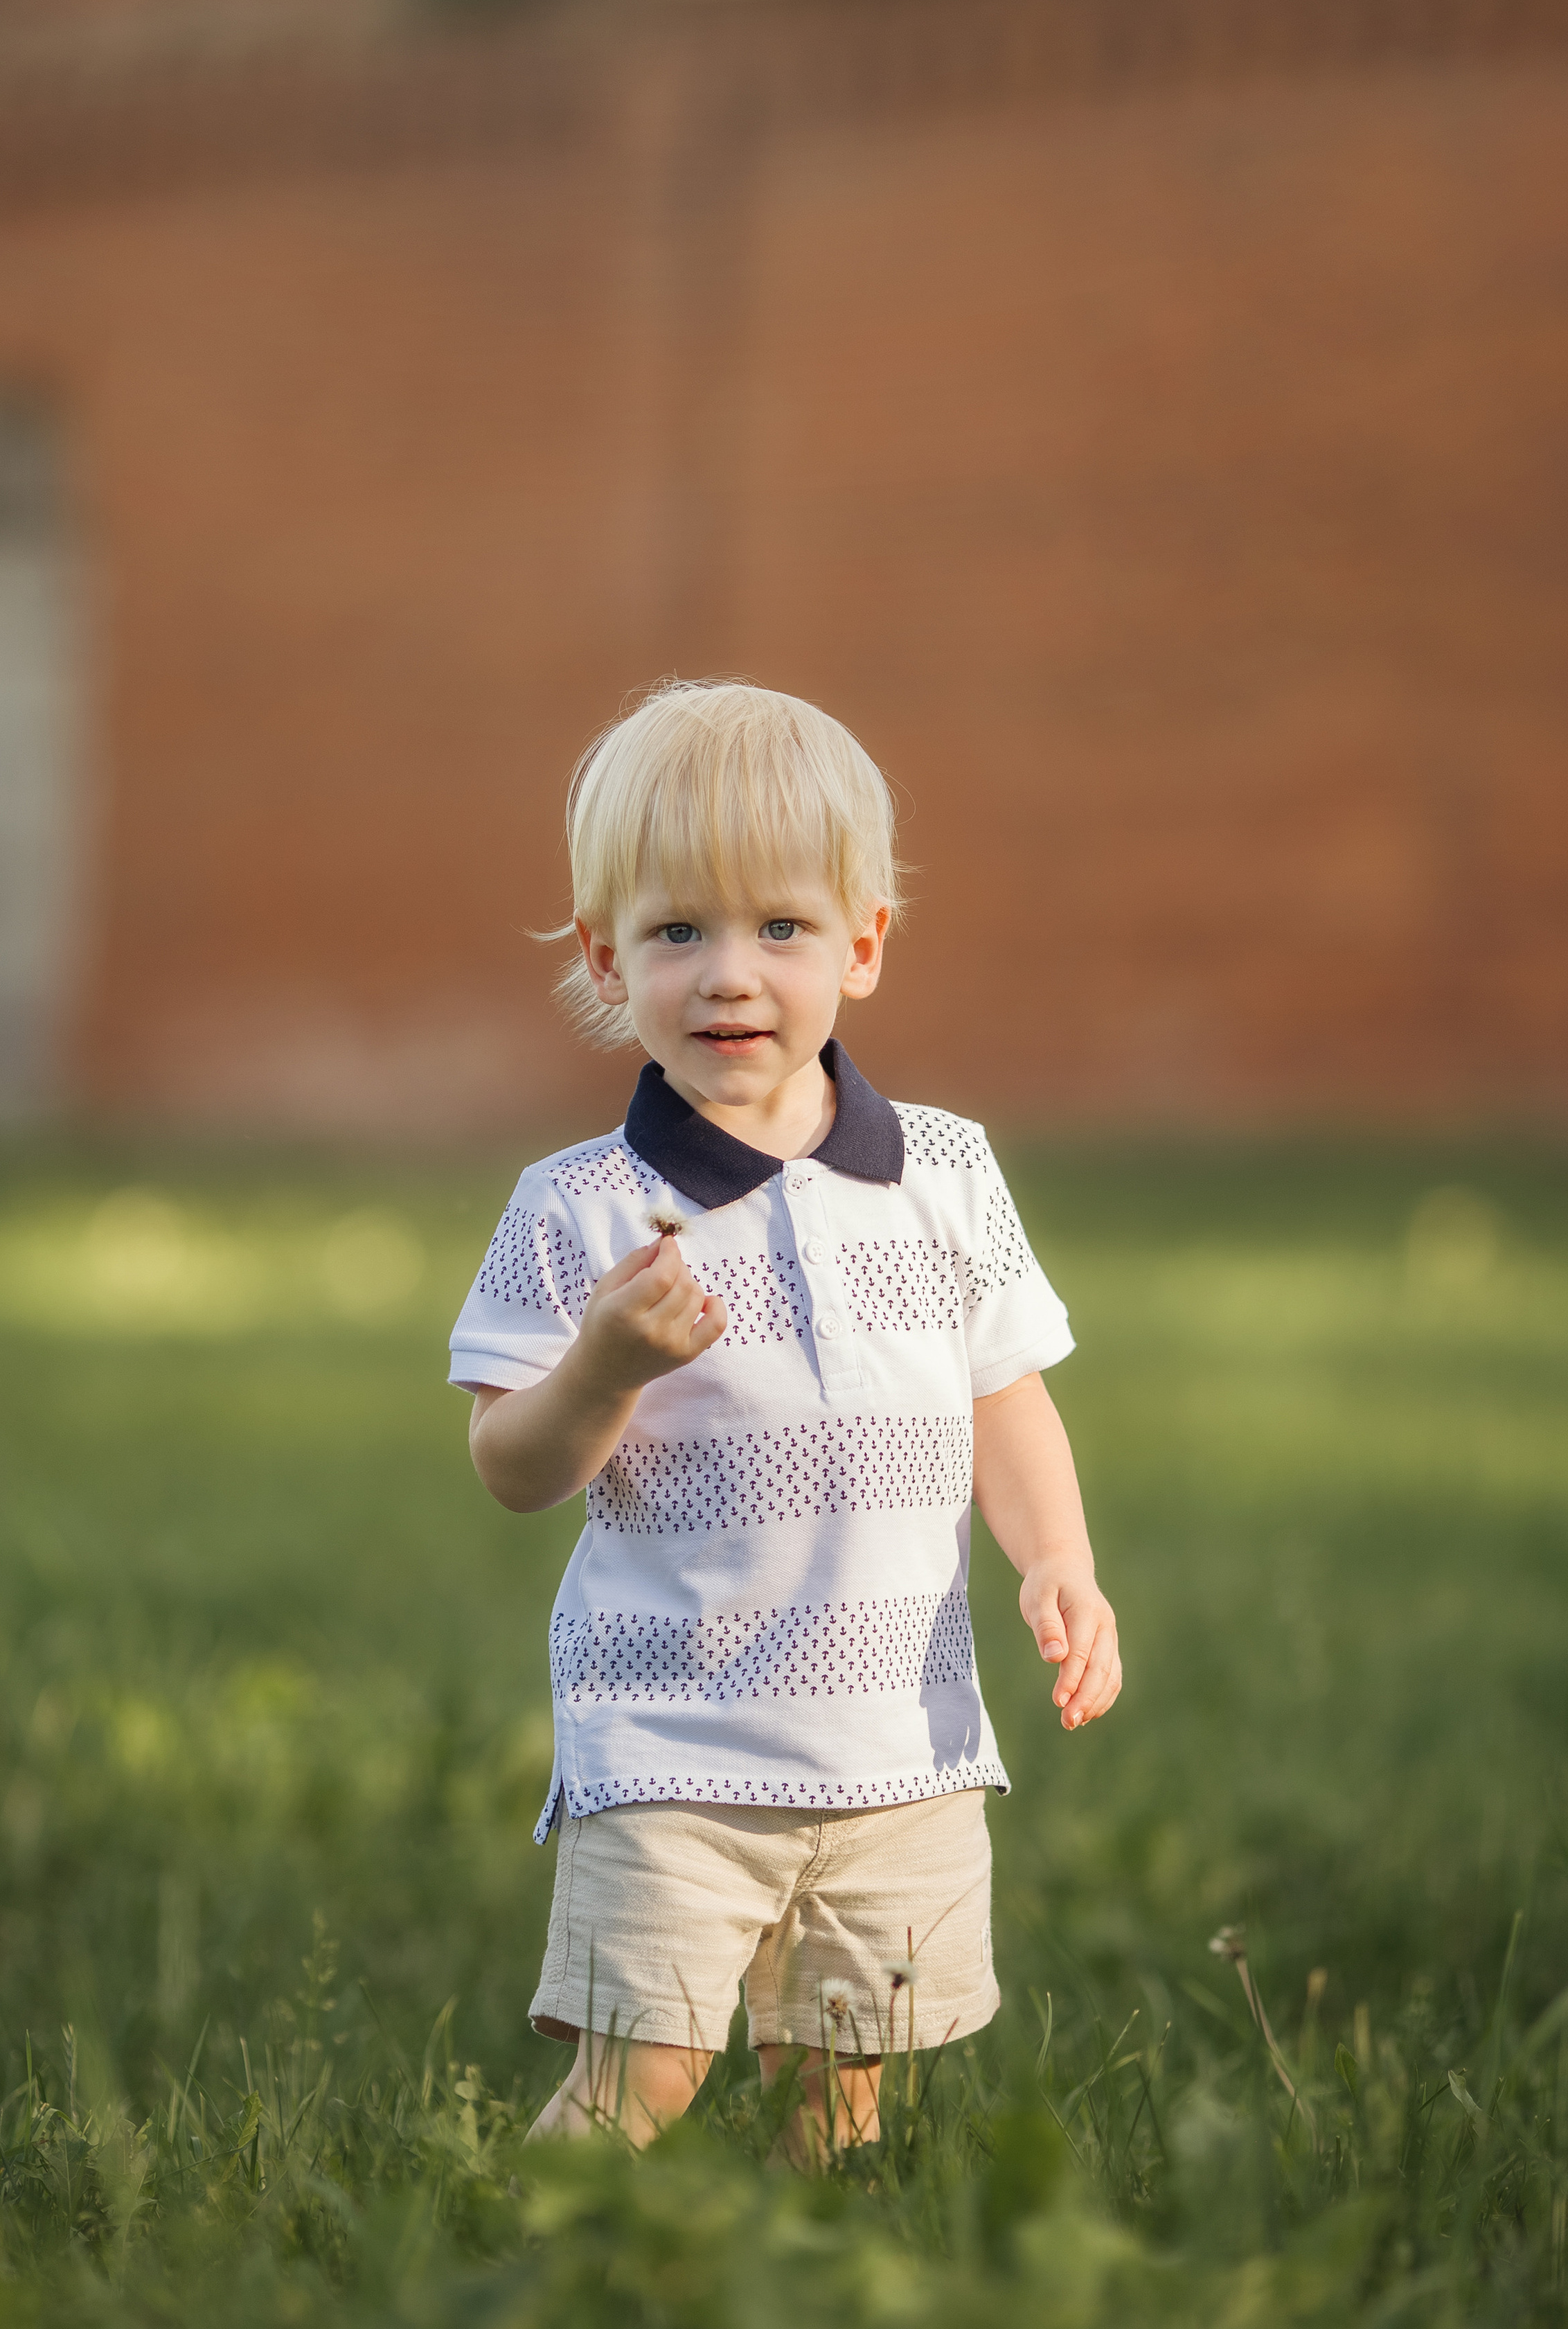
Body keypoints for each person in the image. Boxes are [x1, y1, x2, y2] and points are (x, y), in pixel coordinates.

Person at [448, 679, 1121, 2149]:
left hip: (898, 1741)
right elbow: (510, 1465)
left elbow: (1002, 1395)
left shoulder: (942, 1172)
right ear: (604, 954)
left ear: (862, 943)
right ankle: (511, 2262)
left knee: (844, 2083)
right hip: (675, 1743)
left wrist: (1055, 1558)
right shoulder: (578, 1208)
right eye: (677, 930)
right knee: (645, 2076)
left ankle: (830, 2287)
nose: (729, 974)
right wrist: (602, 1370)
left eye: (781, 929)